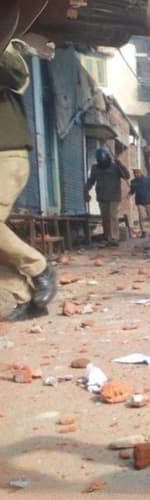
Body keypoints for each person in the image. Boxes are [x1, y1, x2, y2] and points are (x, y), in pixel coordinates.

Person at [0, 39, 57, 321]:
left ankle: (40, 269)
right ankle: (26, 298)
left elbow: (18, 75)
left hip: (6, 154)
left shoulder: (7, 59)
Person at [85, 147, 130, 247]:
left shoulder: (115, 167)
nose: (103, 163)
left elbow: (127, 176)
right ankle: (108, 237)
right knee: (105, 217)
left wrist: (120, 165)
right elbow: (91, 181)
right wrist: (86, 191)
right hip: (102, 196)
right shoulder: (95, 168)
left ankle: (114, 238)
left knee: (112, 216)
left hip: (114, 196)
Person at [129, 169, 150, 238]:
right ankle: (144, 232)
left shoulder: (147, 180)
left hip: (149, 201)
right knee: (141, 218)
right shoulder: (133, 181)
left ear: (141, 172)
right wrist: (129, 194)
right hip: (140, 202)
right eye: (134, 173)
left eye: (137, 173)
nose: (136, 174)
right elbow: (132, 190)